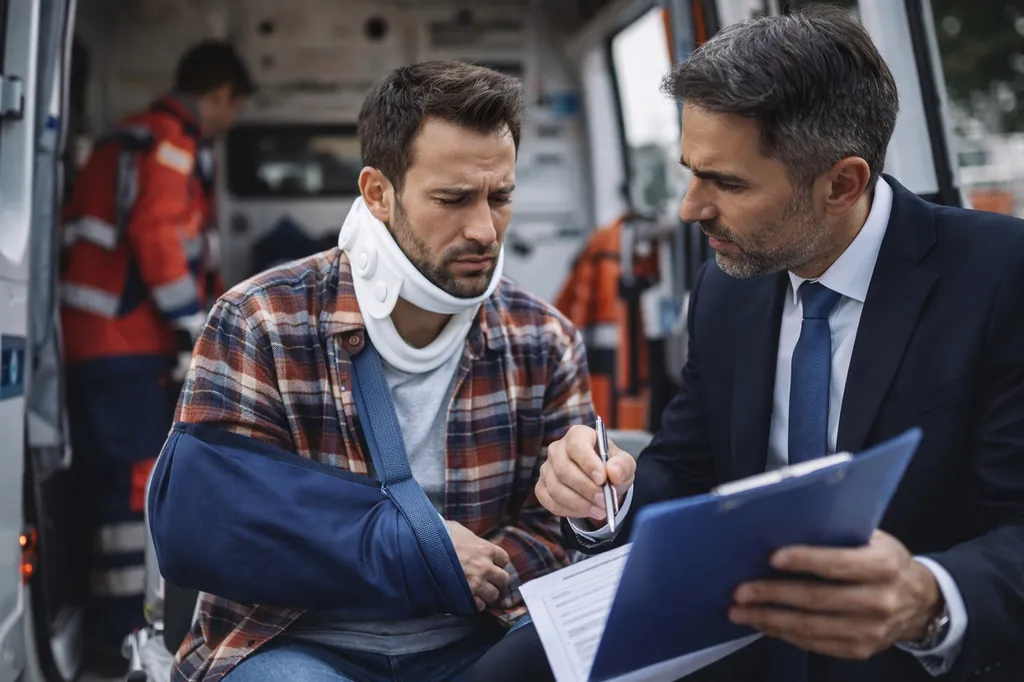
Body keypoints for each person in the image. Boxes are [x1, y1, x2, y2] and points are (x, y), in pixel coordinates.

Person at [529, 6, 1024, 682]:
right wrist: (604, 491)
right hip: (738, 636)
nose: (689, 208)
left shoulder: (1000, 278)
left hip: (909, 655)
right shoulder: (728, 287)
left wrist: (928, 599)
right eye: (691, 171)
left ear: (842, 184)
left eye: (726, 183)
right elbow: (688, 469)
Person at [147, 61, 594, 682]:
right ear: (379, 194)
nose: (484, 229)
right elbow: (218, 522)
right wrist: (425, 556)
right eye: (453, 199)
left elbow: (560, 534)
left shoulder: (544, 338)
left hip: (482, 637)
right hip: (298, 642)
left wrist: (596, 501)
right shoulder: (259, 321)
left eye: (501, 196)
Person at [59, 40, 253, 669]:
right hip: (124, 341)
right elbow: (158, 231)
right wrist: (195, 326)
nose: (227, 125)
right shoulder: (172, 141)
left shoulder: (135, 137)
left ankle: (105, 624)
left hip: (100, 338)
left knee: (109, 481)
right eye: (232, 110)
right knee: (135, 484)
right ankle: (118, 640)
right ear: (220, 94)